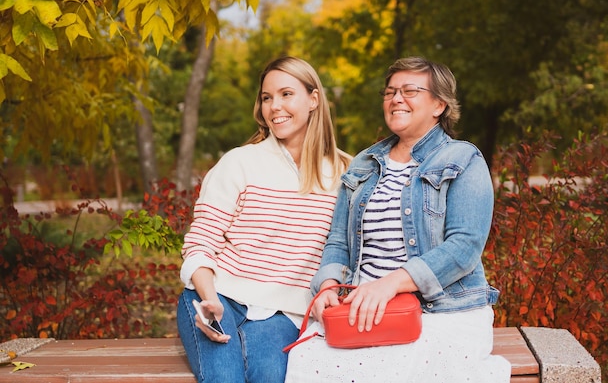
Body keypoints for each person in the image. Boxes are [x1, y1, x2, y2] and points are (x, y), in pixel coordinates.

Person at [285, 56, 511, 382]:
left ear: (439, 105)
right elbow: (337, 240)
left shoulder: (463, 158)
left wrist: (390, 285)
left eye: (409, 90)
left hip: (441, 312)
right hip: (362, 312)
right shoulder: (364, 162)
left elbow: (464, 247)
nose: (395, 99)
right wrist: (328, 286)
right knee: (306, 360)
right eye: (390, 92)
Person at [177, 56, 351, 383]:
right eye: (267, 97)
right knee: (223, 379)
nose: (274, 107)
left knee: (271, 377)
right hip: (219, 296)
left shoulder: (345, 173)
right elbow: (199, 244)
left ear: (313, 100)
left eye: (286, 94)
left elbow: (349, 251)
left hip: (286, 312)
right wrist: (209, 298)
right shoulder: (239, 163)